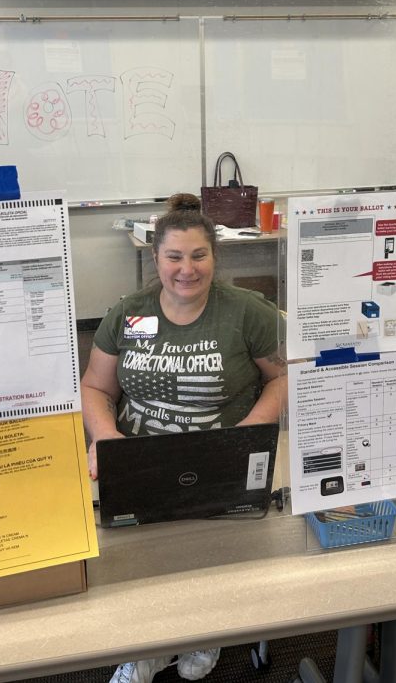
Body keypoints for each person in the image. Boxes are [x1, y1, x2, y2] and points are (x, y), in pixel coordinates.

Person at [82, 193, 286, 683]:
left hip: (223, 452)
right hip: (139, 452)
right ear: (156, 258)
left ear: (215, 257)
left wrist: (252, 429)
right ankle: (146, 647)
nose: (186, 269)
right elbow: (94, 386)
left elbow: (284, 377)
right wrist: (106, 436)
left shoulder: (247, 312)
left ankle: (204, 632)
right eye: (174, 256)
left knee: (208, 550)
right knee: (136, 552)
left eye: (199, 255)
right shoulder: (128, 313)